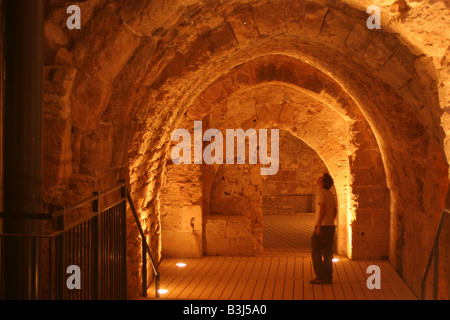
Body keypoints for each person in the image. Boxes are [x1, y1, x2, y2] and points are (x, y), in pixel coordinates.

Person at [310, 173, 337, 285]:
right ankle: (328, 276)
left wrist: (319, 225)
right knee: (327, 252)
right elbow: (335, 211)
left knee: (315, 250)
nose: (318, 178)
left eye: (320, 178)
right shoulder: (330, 194)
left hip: (323, 226)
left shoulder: (320, 192)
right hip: (330, 226)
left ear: (323, 182)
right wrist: (331, 220)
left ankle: (320, 276)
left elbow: (323, 209)